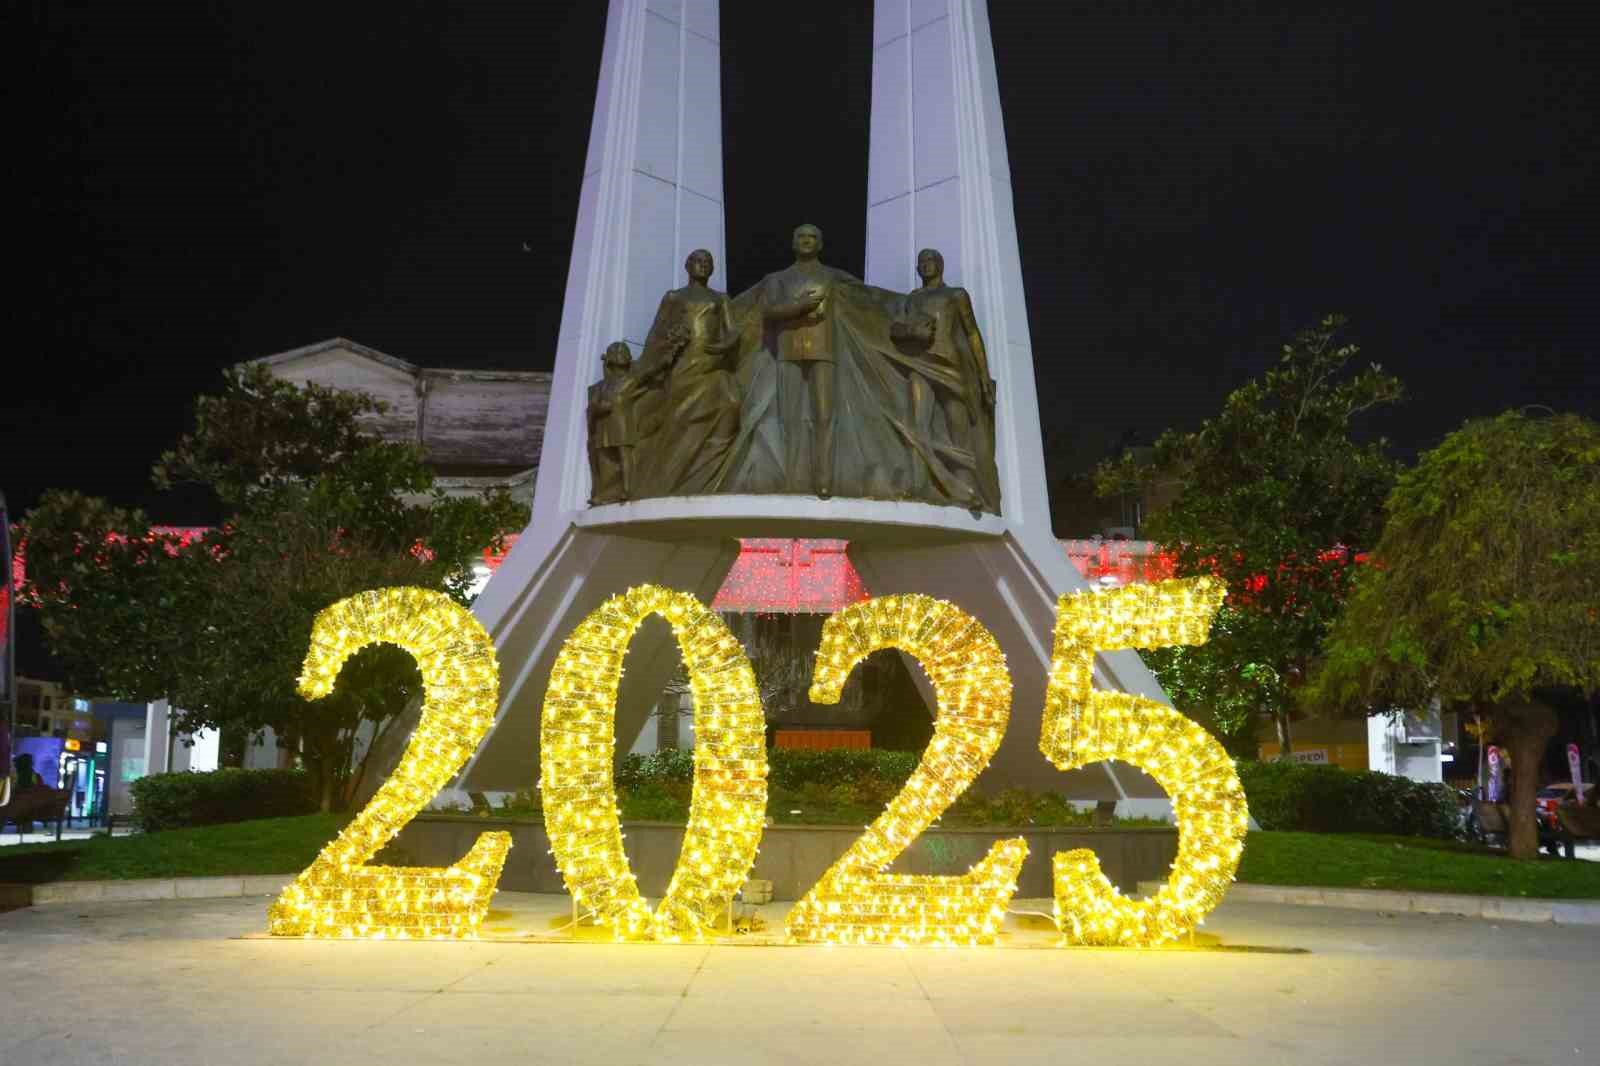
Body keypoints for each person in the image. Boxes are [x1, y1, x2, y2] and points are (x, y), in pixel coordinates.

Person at [891, 248, 1000, 511]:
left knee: (958, 429)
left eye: (931, 261)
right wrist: (911, 331)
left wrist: (983, 375)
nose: (926, 265)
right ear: (917, 269)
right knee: (918, 426)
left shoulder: (955, 295)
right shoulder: (913, 298)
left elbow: (972, 333)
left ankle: (968, 487)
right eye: (922, 262)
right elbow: (895, 329)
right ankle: (921, 485)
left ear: (940, 265)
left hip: (950, 366)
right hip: (920, 364)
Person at [756, 224, 858, 498]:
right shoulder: (777, 279)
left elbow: (869, 298)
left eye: (812, 237)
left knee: (824, 416)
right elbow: (770, 311)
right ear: (793, 243)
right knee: (789, 418)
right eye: (801, 236)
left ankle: (823, 478)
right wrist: (799, 307)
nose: (807, 241)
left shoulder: (833, 277)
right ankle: (793, 478)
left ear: (820, 244)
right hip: (788, 350)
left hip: (824, 350)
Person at [631, 249, 743, 496]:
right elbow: (657, 332)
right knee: (679, 415)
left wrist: (725, 344)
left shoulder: (720, 298)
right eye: (698, 261)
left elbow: (732, 330)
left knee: (732, 403)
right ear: (687, 265)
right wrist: (655, 357)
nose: (703, 265)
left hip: (712, 362)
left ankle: (709, 468)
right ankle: (670, 474)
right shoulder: (674, 297)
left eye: (708, 262)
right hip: (683, 363)